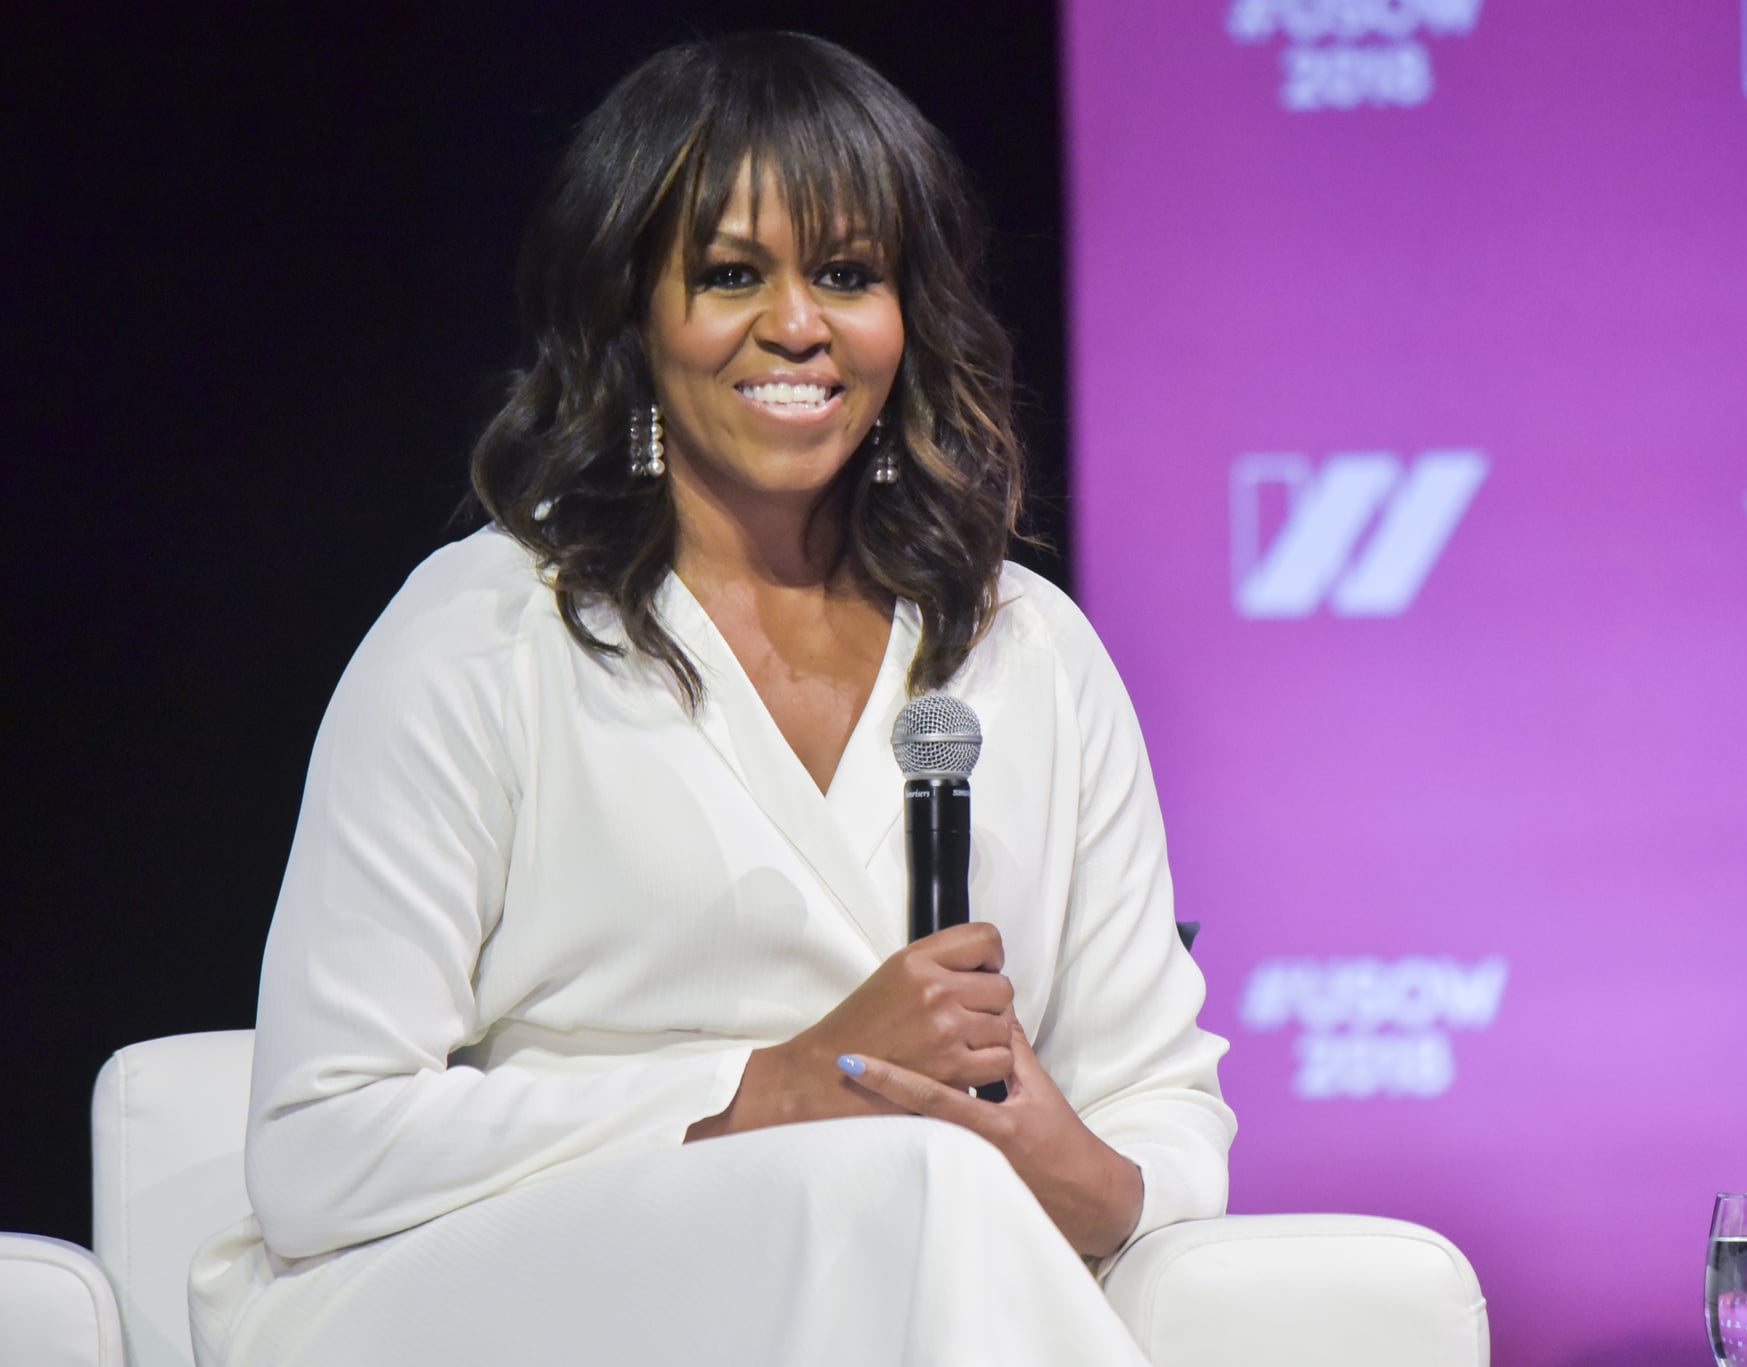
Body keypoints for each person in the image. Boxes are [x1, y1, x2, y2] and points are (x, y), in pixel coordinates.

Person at [188, 32, 1232, 1367]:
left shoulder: (1028, 650)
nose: (796, 324)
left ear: (909, 321)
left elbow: (1167, 1114)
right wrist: (769, 1090)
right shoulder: (484, 632)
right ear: (631, 316)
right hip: (507, 1287)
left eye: (848, 275)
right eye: (732, 274)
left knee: (929, 1194)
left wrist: (1062, 1157)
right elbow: (319, 1147)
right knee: (906, 1191)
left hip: (926, 1262)